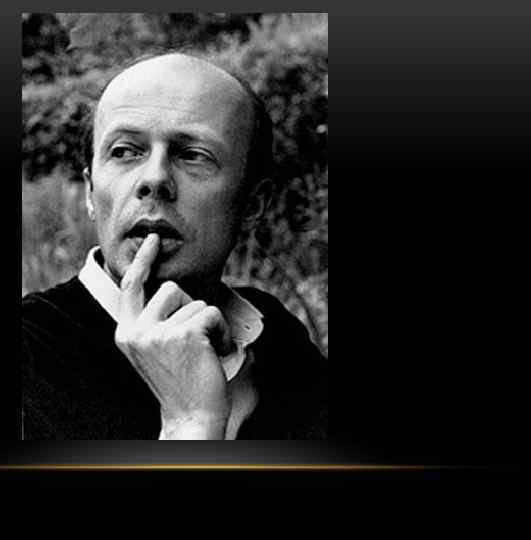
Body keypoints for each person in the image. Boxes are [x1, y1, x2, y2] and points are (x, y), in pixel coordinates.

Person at [22, 52, 327, 440]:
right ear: (90, 193)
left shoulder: (278, 336)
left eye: (193, 155)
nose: (154, 180)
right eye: (124, 151)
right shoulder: (31, 351)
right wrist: (190, 423)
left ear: (252, 205)